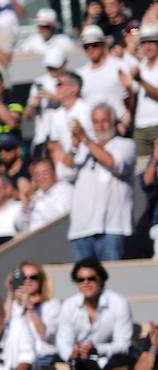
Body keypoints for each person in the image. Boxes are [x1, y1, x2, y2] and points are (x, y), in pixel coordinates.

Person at [67, 103, 135, 262]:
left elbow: (112, 163)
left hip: (112, 228)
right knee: (83, 283)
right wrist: (74, 147)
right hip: (81, 230)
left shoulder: (125, 145)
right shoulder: (84, 148)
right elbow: (64, 172)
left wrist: (85, 139)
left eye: (105, 121)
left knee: (114, 280)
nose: (101, 126)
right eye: (96, 122)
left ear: (114, 123)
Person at [56, 258, 133, 370]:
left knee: (120, 361)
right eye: (81, 279)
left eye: (91, 278)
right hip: (81, 362)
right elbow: (63, 342)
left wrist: (97, 349)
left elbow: (123, 345)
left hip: (111, 362)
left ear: (101, 279)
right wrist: (72, 353)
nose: (86, 283)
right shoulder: (69, 305)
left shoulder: (119, 303)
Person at [7, 261, 63, 370]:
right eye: (24, 277)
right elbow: (4, 326)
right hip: (17, 363)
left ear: (41, 280)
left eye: (33, 277)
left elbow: (45, 334)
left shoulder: (52, 305)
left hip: (45, 361)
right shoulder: (14, 306)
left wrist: (30, 308)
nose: (28, 281)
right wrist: (10, 292)